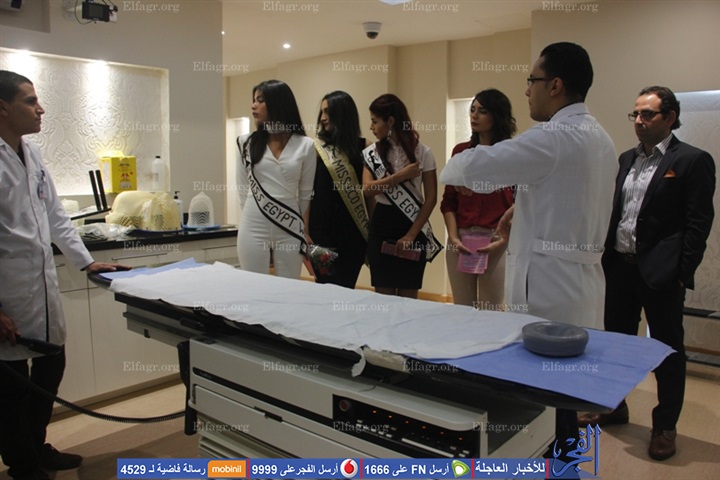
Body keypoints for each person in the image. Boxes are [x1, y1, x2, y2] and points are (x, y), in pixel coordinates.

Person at [439, 42, 617, 457]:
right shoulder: (600, 137)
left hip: (549, 289)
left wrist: (459, 161)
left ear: (555, 85)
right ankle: (567, 462)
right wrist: (520, 206)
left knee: (545, 404)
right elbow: (574, 194)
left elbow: (464, 169)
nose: (526, 90)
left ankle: (553, 463)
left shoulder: (552, 137)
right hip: (584, 284)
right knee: (566, 398)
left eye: (531, 80)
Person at [0, 70, 129, 480]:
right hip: (7, 294)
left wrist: (86, 262)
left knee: (51, 367)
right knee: (11, 388)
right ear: (2, 108)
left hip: (41, 288)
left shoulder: (32, 153)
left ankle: (36, 446)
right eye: (30, 101)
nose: (40, 109)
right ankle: (22, 464)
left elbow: (56, 216)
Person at [578, 86, 716, 461]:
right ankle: (614, 406)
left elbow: (698, 223)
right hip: (619, 269)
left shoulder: (692, 160)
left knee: (666, 352)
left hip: (661, 274)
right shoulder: (625, 159)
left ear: (670, 117)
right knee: (616, 346)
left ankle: (665, 427)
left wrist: (682, 273)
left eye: (647, 114)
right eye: (635, 114)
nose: (639, 121)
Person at [441, 89, 516, 308]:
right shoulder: (462, 152)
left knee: (490, 309)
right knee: (462, 308)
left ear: (497, 116)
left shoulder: (510, 153)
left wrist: (504, 239)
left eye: (482, 111)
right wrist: (453, 237)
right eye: (472, 110)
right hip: (461, 239)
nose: (474, 116)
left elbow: (522, 202)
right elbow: (448, 202)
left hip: (496, 240)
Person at [236, 79, 316, 279]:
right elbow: (242, 189)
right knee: (252, 284)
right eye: (254, 100)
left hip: (290, 224)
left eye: (260, 100)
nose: (253, 105)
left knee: (289, 286)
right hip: (253, 221)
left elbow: (305, 194)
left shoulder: (306, 145)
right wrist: (255, 213)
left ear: (278, 103)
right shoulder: (245, 142)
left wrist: (302, 227)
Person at [362, 93, 440, 299]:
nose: (371, 127)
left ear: (390, 121)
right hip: (381, 225)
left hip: (412, 224)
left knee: (408, 298)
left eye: (375, 121)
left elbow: (431, 198)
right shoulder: (372, 153)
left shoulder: (423, 152)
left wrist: (411, 235)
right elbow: (367, 189)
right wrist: (399, 177)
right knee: (383, 296)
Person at [307, 91, 369, 288]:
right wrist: (305, 230)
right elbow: (306, 193)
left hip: (353, 233)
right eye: (322, 112)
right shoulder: (315, 148)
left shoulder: (365, 147)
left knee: (347, 288)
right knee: (326, 287)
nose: (323, 117)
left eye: (328, 112)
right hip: (321, 233)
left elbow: (370, 195)